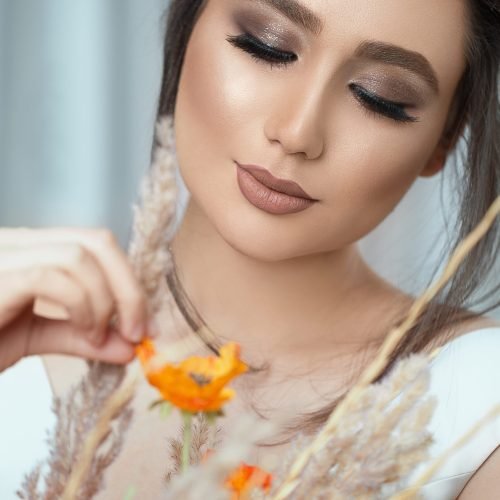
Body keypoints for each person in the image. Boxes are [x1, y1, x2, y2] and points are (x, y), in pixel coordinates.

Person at [1, 0, 499, 498]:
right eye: (267, 46)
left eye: (379, 98)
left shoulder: (480, 403)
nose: (297, 132)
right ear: (187, 26)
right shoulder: (15, 324)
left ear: (444, 139)